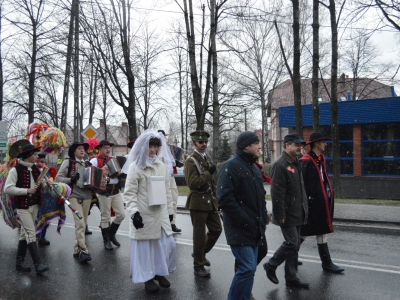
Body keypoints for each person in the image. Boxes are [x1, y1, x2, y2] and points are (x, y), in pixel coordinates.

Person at [122, 129, 176, 293]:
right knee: (146, 248)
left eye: (156, 147)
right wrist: (134, 213)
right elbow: (130, 193)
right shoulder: (135, 167)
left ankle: (160, 272)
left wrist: (171, 210)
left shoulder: (161, 165)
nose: (153, 150)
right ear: (143, 147)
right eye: (150, 146)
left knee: (167, 245)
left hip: (160, 213)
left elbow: (167, 190)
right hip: (144, 213)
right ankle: (147, 277)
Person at [217, 132, 269, 300]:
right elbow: (225, 199)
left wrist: (263, 217)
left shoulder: (253, 167)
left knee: (250, 268)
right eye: (256, 143)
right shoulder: (230, 166)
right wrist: (245, 220)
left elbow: (260, 197)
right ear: (246, 146)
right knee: (247, 267)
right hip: (239, 228)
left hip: (255, 227)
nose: (259, 146)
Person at [263, 133, 309, 288]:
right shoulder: (280, 164)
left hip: (298, 211)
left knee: (295, 245)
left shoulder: (296, 162)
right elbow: (277, 192)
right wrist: (280, 213)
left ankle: (291, 277)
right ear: (287, 145)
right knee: (291, 242)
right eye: (296, 145)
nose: (299, 148)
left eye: (301, 145)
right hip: (287, 212)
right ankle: (271, 264)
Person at [299, 132, 344, 273]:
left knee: (321, 230)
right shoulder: (305, 161)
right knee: (306, 232)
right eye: (323, 142)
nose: (325, 144)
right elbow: (302, 184)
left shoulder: (321, 159)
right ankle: (285, 257)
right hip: (312, 203)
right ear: (317, 143)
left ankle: (326, 263)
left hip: (321, 201)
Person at [4, 143, 49, 274]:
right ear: (28, 155)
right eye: (35, 154)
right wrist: (26, 190)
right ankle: (38, 264)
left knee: (25, 233)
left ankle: (19, 262)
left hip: (34, 205)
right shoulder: (15, 170)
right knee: (31, 233)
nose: (37, 157)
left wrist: (47, 184)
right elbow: (8, 188)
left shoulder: (36, 169)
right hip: (22, 206)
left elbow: (41, 187)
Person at [184, 130, 222, 277]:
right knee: (199, 236)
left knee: (216, 229)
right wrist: (208, 173)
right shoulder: (190, 161)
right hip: (198, 203)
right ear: (194, 144)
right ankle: (198, 265)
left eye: (205, 142)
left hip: (210, 201)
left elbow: (212, 183)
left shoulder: (208, 158)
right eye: (200, 142)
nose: (204, 144)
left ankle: (199, 253)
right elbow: (193, 184)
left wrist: (218, 201)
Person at [55, 142, 92, 263]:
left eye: (83, 149)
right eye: (79, 149)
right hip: (74, 196)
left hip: (87, 196)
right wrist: (71, 179)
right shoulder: (68, 162)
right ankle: (84, 250)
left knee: (82, 223)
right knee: (80, 223)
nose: (82, 151)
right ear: (74, 151)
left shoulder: (88, 164)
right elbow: (58, 178)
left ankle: (76, 249)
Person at [90, 140, 125, 250]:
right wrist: (102, 170)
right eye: (105, 148)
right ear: (99, 149)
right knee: (105, 216)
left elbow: (120, 173)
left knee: (121, 214)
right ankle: (106, 240)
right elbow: (90, 175)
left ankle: (111, 234)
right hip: (103, 192)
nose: (108, 150)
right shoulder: (94, 160)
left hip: (115, 191)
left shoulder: (113, 160)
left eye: (109, 148)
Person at [158, 129, 181, 233]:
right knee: (162, 202)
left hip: (170, 177)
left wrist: (178, 161)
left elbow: (173, 163)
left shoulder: (168, 149)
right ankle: (162, 223)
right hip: (160, 179)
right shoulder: (155, 149)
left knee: (174, 199)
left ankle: (172, 223)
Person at [36, 152, 51, 245]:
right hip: (36, 197)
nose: (41, 160)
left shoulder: (46, 169)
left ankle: (42, 237)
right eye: (39, 158)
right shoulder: (33, 168)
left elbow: (50, 179)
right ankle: (36, 235)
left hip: (46, 197)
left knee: (46, 218)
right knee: (37, 218)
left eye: (43, 158)